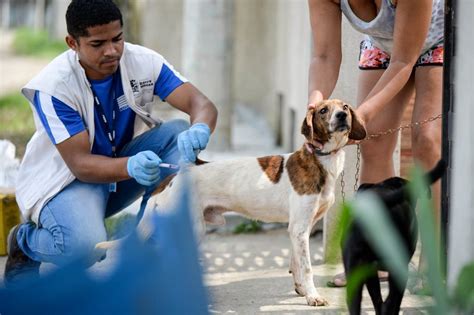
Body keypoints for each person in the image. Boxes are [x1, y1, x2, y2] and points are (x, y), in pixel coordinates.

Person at [4, 0, 218, 286]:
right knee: (84, 248)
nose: (112, 50)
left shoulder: (143, 61)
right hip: (67, 183)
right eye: (97, 43)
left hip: (119, 171)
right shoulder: (53, 87)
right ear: (72, 43)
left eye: (118, 38)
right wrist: (131, 166)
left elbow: (200, 103)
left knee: (179, 134)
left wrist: (201, 127)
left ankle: (151, 249)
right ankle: (24, 241)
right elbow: (80, 165)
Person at [307, 0, 444, 287]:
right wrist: (314, 108)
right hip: (383, 46)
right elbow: (324, 56)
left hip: (438, 39)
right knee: (373, 143)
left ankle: (434, 259)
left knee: (427, 141)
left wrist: (360, 118)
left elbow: (404, 61)